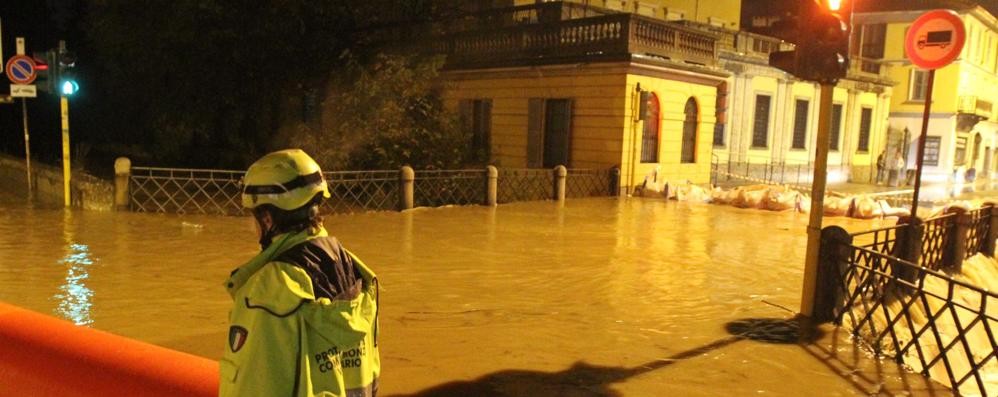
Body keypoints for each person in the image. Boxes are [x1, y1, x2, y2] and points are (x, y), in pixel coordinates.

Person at [220, 149, 380, 397]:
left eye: (253, 216)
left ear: (267, 219)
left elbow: (252, 387)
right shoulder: (355, 272)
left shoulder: (269, 292)